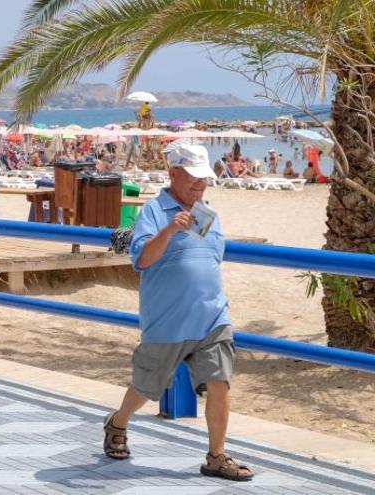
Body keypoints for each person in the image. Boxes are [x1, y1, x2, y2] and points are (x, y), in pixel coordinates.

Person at [103, 143, 254, 482]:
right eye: (194, 179)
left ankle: (216, 456)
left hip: (212, 316)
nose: (201, 186)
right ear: (173, 174)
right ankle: (118, 422)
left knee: (220, 381)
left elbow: (213, 256)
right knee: (146, 386)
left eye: (204, 180)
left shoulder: (205, 211)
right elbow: (142, 260)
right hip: (167, 321)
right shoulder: (154, 211)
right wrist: (170, 230)